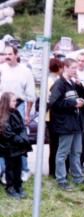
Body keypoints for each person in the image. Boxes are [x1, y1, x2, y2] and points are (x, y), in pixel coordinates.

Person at [48, 58, 84, 190]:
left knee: (76, 151)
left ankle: (78, 177)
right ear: (65, 67)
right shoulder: (59, 84)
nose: (75, 70)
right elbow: (54, 103)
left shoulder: (73, 83)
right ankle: (61, 179)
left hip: (76, 122)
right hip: (65, 123)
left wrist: (79, 84)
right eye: (73, 68)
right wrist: (73, 103)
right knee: (62, 152)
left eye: (76, 68)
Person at [0, 45, 36, 182]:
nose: (7, 56)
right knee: (2, 139)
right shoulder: (1, 69)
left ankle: (23, 170)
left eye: (10, 53)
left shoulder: (25, 71)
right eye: (5, 54)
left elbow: (31, 95)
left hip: (18, 106)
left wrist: (26, 114)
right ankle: (4, 172)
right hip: (2, 106)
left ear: (17, 55)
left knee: (20, 139)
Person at [0, 92, 32, 198]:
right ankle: (10, 187)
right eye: (13, 100)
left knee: (18, 167)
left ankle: (18, 185)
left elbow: (22, 127)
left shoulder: (16, 112)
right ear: (6, 102)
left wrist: (24, 139)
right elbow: (8, 134)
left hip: (18, 145)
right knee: (10, 168)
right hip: (9, 147)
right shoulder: (3, 116)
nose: (16, 102)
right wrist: (21, 140)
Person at [47, 58, 64, 178]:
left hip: (52, 116)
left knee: (55, 145)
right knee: (55, 145)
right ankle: (53, 171)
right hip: (52, 115)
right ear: (58, 67)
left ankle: (53, 171)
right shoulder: (53, 81)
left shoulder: (50, 79)